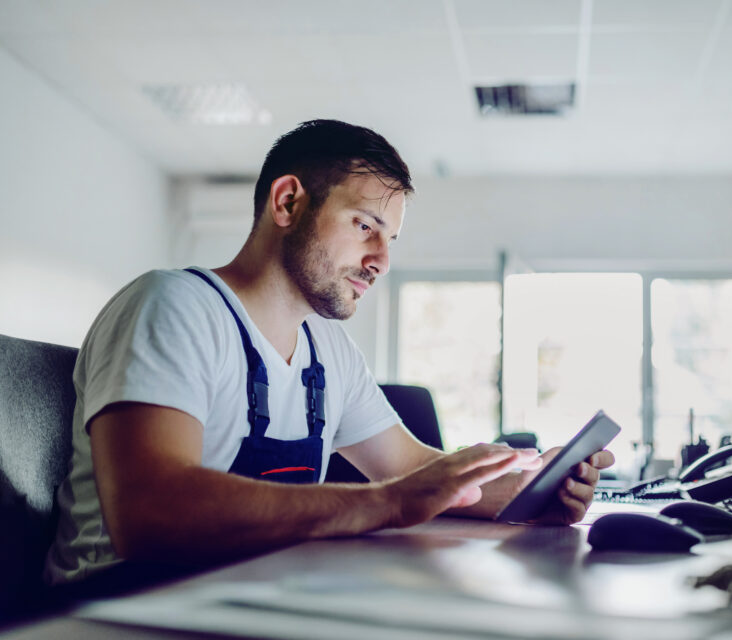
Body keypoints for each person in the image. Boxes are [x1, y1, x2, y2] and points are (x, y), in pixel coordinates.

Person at [44, 119, 614, 588]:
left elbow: (416, 472)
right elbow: (150, 515)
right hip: (118, 611)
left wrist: (537, 491)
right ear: (288, 202)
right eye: (366, 225)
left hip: (246, 595)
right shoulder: (171, 306)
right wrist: (385, 504)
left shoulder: (328, 352)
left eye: (389, 239)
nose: (380, 261)